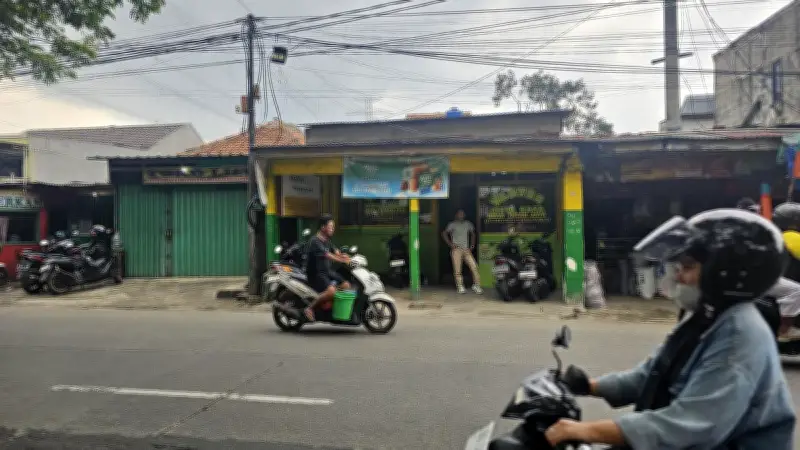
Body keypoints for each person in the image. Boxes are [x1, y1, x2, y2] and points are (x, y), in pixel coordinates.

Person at [545, 209, 796, 449]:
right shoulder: (707, 316)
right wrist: (587, 385)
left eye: (687, 268)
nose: (678, 277)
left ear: (723, 273)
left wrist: (585, 430)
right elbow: (653, 374)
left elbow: (691, 425)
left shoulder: (739, 334)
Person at [303, 214, 351, 321]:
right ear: (323, 227)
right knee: (332, 292)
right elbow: (327, 255)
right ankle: (310, 308)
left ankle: (328, 302)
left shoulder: (326, 240)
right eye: (330, 226)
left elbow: (335, 251)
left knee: (346, 285)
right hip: (316, 274)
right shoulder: (315, 241)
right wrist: (342, 260)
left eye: (333, 227)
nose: (332, 229)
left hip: (326, 271)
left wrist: (346, 256)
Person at [441, 209, 482, 294]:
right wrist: (450, 244)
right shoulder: (452, 224)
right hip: (456, 250)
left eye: (462, 214)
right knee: (457, 270)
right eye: (459, 214)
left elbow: (473, 234)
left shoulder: (468, 224)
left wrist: (472, 246)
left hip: (466, 249)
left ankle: (477, 285)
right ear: (456, 215)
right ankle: (460, 286)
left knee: (474, 267)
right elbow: (444, 233)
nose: (461, 215)